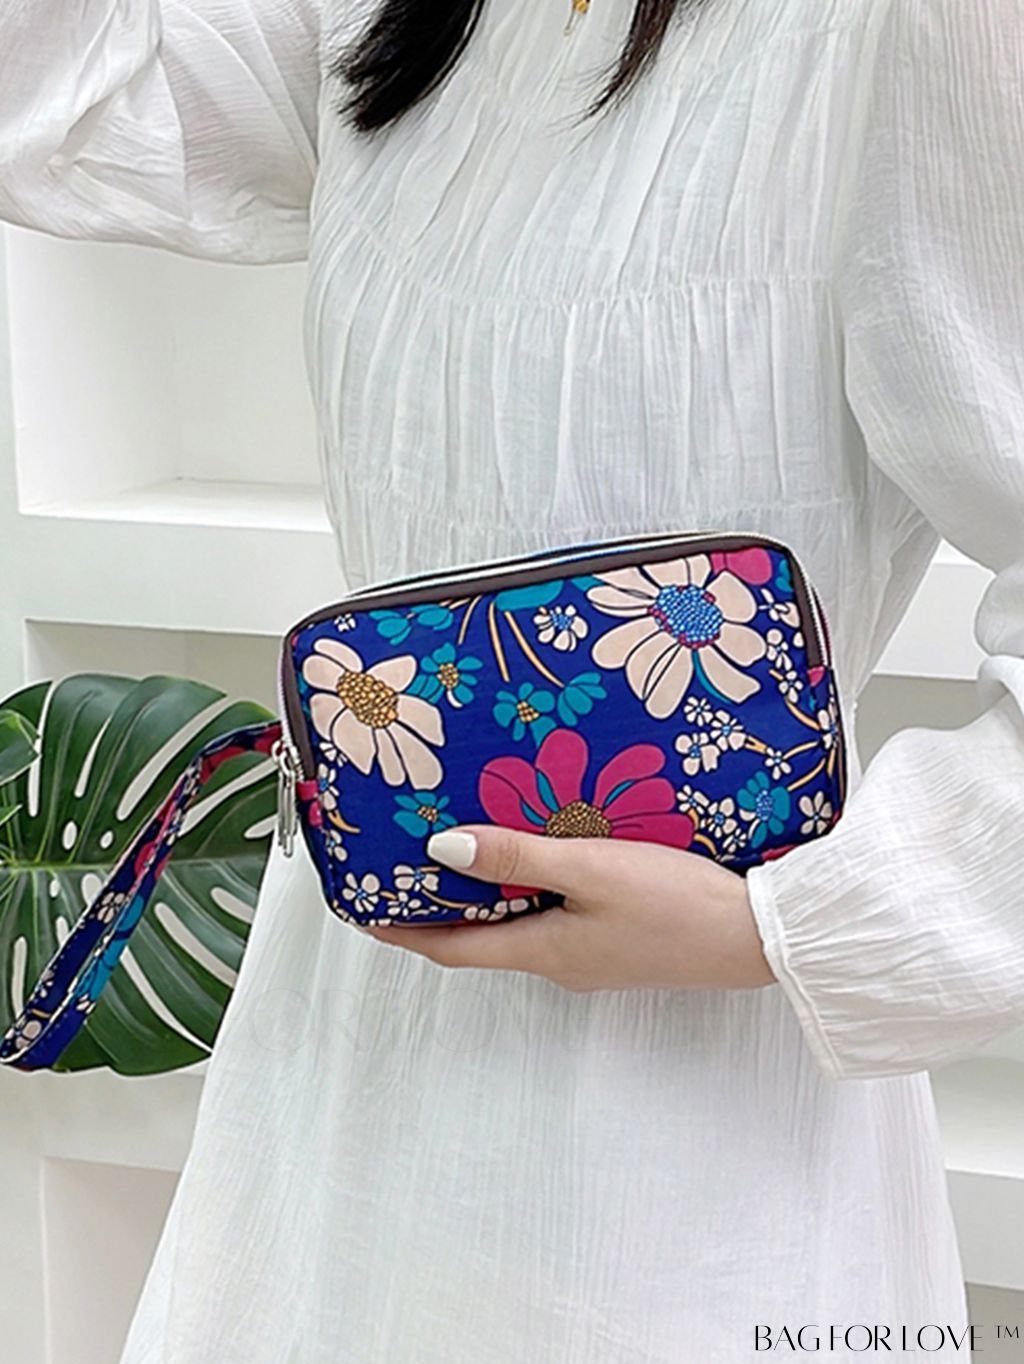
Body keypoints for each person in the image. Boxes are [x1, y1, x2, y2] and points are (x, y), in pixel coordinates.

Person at [3, 0, 1023, 1359]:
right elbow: (58, 109)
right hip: (346, 1049)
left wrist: (786, 927)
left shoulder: (910, 31)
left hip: (684, 1130)